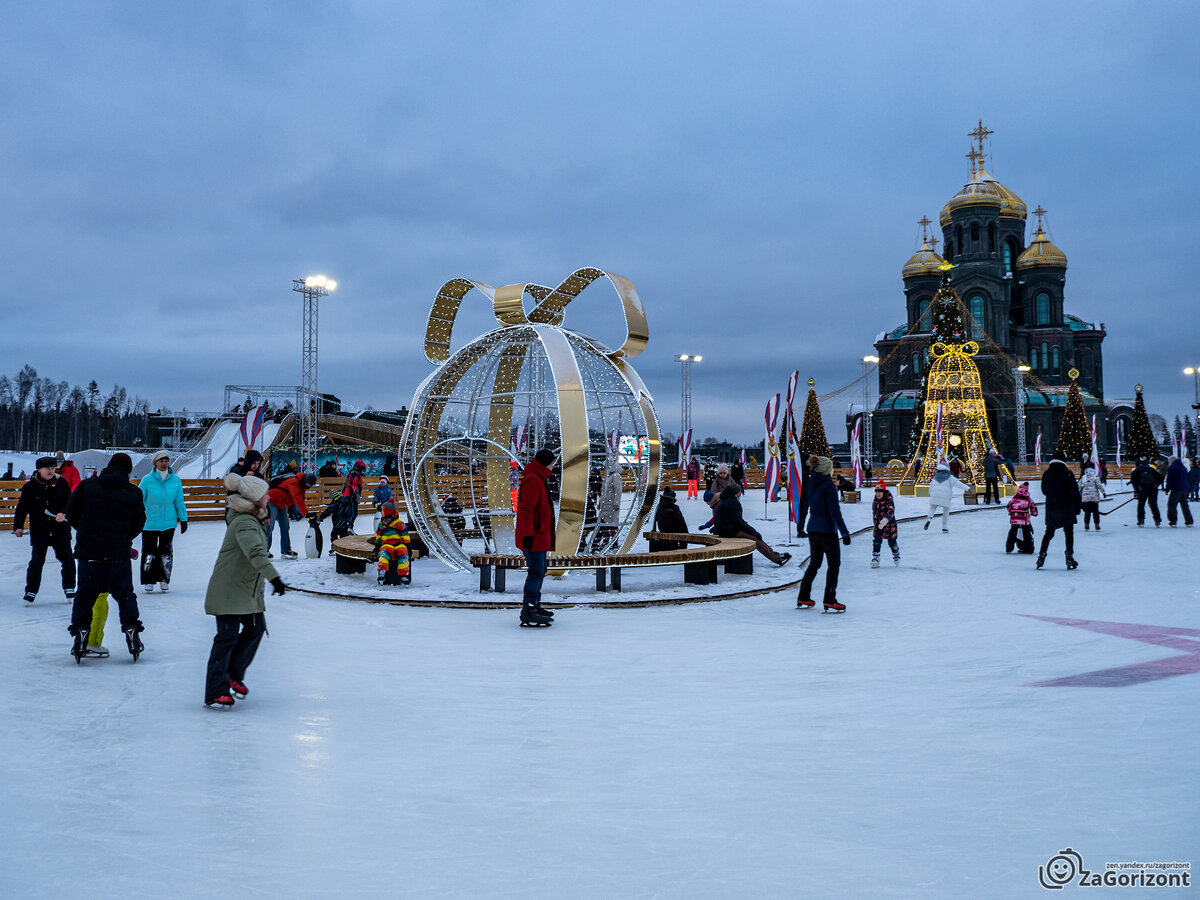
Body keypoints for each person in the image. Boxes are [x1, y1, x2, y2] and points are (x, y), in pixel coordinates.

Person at [203, 472, 287, 709]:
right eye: (264, 494)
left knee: (256, 628)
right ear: (254, 498)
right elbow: (256, 554)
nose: (268, 497)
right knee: (226, 638)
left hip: (245, 591)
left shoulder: (253, 518)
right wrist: (275, 578)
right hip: (230, 591)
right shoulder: (244, 522)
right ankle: (216, 691)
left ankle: (232, 674)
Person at [64, 452, 146, 663]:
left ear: (108, 466)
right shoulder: (133, 492)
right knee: (125, 595)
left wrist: (84, 531)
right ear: (128, 471)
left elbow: (71, 512)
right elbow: (139, 521)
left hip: (88, 554)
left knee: (85, 596)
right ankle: (131, 631)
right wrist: (124, 538)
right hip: (118, 555)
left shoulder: (87, 485)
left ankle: (81, 634)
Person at [13, 456, 75, 603]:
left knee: (67, 560)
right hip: (40, 529)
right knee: (37, 561)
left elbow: (70, 501)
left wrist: (63, 512)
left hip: (60, 529)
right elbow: (22, 508)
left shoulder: (61, 483)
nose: (51, 471)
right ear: (39, 469)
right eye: (47, 469)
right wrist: (18, 526)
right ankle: (31, 590)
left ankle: (70, 587)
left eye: (53, 468)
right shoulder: (30, 487)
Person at [796, 455, 849, 612]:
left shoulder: (812, 482)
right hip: (826, 531)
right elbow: (835, 512)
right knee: (833, 564)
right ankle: (830, 599)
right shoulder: (828, 486)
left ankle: (803, 596)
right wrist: (844, 533)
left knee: (814, 563)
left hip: (812, 528)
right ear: (827, 470)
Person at [515, 448, 556, 627]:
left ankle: (534, 606)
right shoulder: (533, 479)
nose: (554, 467)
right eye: (553, 463)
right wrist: (528, 535)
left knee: (539, 570)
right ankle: (529, 610)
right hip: (534, 537)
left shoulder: (537, 477)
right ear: (546, 463)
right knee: (536, 571)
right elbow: (526, 510)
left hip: (538, 535)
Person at [138, 450, 188, 592]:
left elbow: (179, 501)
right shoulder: (147, 479)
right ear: (155, 463)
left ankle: (163, 579)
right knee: (149, 552)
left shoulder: (175, 480)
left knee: (166, 553)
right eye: (161, 461)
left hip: (168, 523)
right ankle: (149, 580)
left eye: (166, 460)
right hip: (150, 522)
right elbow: (139, 499)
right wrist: (138, 516)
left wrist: (183, 519)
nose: (164, 463)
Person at [713, 483, 791, 567]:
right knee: (754, 538)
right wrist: (754, 532)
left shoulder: (725, 500)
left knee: (753, 535)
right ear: (737, 493)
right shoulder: (732, 502)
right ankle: (776, 557)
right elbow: (739, 522)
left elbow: (735, 520)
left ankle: (775, 555)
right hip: (728, 531)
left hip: (725, 529)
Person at [1038, 449, 1082, 570]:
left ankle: (1041, 555)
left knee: (1048, 533)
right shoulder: (1068, 473)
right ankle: (1069, 556)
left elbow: (1044, 491)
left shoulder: (1047, 473)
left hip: (1052, 507)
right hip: (1066, 507)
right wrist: (1077, 507)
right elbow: (1074, 492)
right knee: (1068, 533)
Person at [267, 471, 315, 558]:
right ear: (306, 481)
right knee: (270, 526)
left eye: (312, 485)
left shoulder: (302, 486)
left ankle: (286, 550)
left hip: (282, 504)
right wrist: (306, 513)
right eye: (310, 484)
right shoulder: (293, 481)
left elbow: (301, 499)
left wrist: (305, 513)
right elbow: (297, 498)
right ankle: (264, 550)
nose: (310, 486)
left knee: (285, 527)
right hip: (272, 501)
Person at [923, 461, 969, 533]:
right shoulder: (949, 477)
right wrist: (968, 489)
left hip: (935, 496)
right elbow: (958, 484)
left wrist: (932, 495)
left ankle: (929, 519)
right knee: (946, 511)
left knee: (932, 508)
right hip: (945, 497)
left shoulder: (935, 477)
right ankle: (944, 526)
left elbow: (931, 489)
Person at [373, 500, 412, 584]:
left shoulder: (399, 523)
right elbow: (379, 535)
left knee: (403, 554)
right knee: (384, 553)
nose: (381, 512)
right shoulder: (381, 524)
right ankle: (382, 571)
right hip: (386, 543)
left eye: (383, 510)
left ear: (388, 512)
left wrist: (408, 546)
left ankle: (403, 574)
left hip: (399, 543)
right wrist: (377, 545)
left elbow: (405, 535)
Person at [312, 488, 357, 553]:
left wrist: (320, 518)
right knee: (343, 536)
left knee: (334, 535)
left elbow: (328, 511)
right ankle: (345, 548)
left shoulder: (335, 503)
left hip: (338, 523)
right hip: (346, 523)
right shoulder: (346, 500)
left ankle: (335, 549)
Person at [870, 479, 899, 568]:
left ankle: (896, 554)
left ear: (884, 492)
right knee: (876, 542)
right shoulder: (875, 501)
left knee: (892, 543)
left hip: (890, 526)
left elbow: (891, 511)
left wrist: (885, 520)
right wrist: (876, 522)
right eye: (876, 492)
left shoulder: (888, 500)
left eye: (880, 492)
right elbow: (874, 512)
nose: (878, 494)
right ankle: (875, 558)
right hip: (878, 526)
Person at [650, 487, 688, 551]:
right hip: (674, 539)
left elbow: (656, 521)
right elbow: (682, 524)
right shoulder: (674, 508)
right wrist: (686, 538)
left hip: (661, 539)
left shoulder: (659, 507)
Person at [595, 460, 623, 549]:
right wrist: (600, 502)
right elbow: (604, 492)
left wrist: (616, 504)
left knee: (612, 524)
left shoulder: (615, 476)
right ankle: (606, 542)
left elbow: (618, 491)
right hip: (606, 505)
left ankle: (613, 542)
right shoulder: (610, 476)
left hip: (611, 506)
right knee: (606, 524)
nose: (604, 468)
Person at [1005, 482, 1038, 554]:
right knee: (1026, 533)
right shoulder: (1028, 499)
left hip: (1014, 518)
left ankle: (1009, 548)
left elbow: (1009, 506)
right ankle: (1028, 549)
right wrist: (1034, 513)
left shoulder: (1014, 498)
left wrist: (1011, 512)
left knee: (1012, 532)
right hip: (1024, 519)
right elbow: (1033, 508)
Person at [1132, 457, 1162, 527]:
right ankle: (1157, 519)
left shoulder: (1135, 471)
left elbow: (1134, 482)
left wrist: (1136, 491)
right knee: (1153, 504)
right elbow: (1160, 478)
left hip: (1142, 489)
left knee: (1141, 505)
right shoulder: (1151, 469)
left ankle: (1141, 520)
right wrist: (1156, 485)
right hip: (1153, 489)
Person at [1164, 456, 1194, 527]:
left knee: (1171, 504)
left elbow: (1170, 479)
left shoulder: (1172, 468)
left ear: (1171, 461)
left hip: (1176, 489)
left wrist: (1167, 489)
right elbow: (1188, 478)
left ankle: (1173, 520)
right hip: (1185, 488)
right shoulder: (1183, 467)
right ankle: (1189, 521)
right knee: (1184, 505)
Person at [1078, 462, 1107, 531]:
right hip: (1094, 497)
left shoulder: (1084, 477)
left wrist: (1078, 492)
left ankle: (1086, 524)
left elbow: (1080, 485)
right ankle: (1097, 524)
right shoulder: (1094, 476)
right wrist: (1103, 492)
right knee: (1095, 512)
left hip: (1086, 496)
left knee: (1087, 512)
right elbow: (1099, 485)